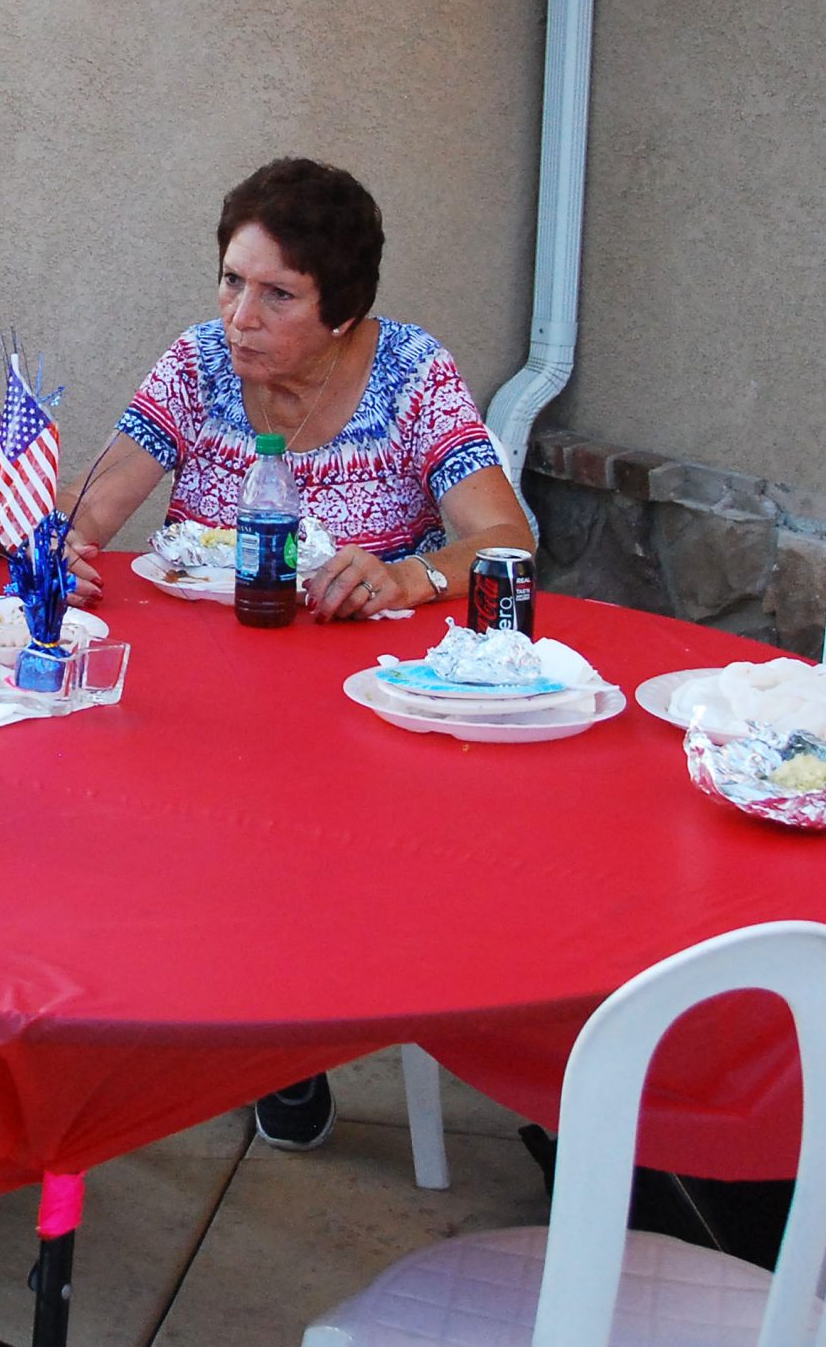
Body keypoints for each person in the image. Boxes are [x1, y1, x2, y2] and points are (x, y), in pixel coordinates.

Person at [69, 157, 535, 1149]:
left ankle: (283, 1028)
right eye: (231, 281)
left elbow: (506, 540)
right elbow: (92, 513)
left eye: (277, 294)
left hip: (356, 708)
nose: (240, 315)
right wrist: (61, 551)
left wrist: (408, 577)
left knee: (310, 824)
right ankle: (233, 1017)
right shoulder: (198, 366)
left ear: (341, 309)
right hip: (199, 700)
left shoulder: (409, 375)